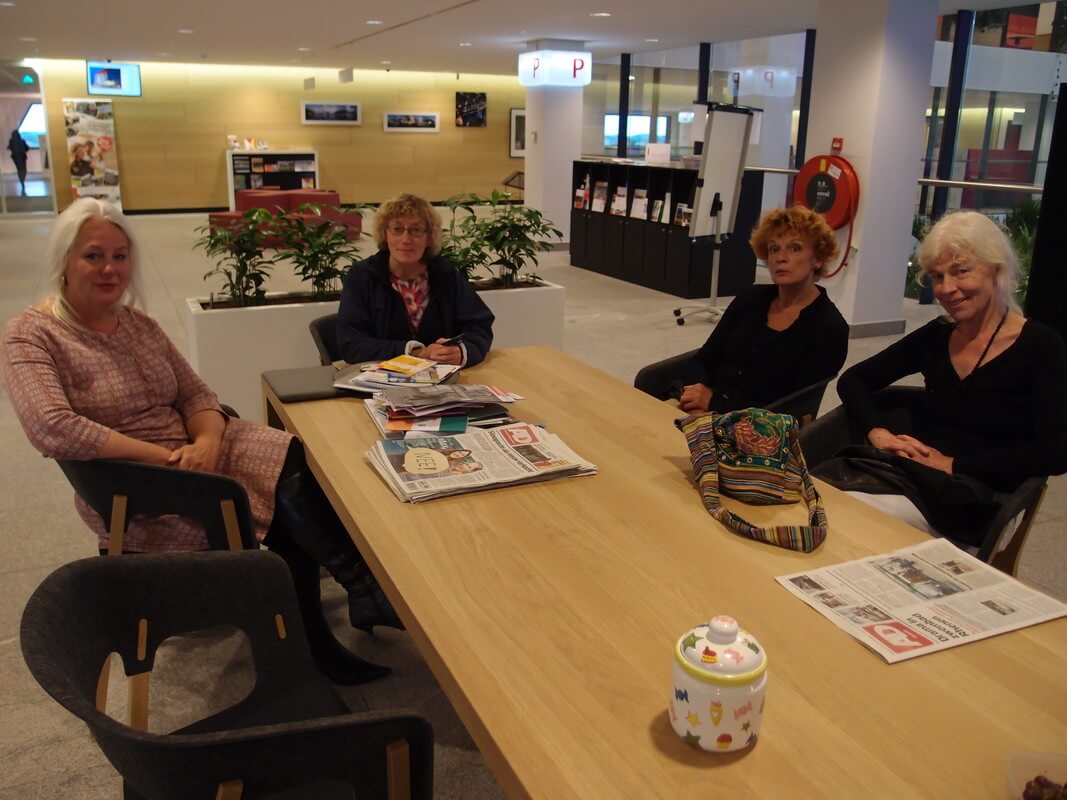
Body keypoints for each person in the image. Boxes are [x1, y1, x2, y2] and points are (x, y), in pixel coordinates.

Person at [2, 199, 402, 685]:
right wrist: (166, 456)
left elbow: (195, 392)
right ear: (64, 260)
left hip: (196, 453)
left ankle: (353, 591)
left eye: (120, 256)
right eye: (93, 256)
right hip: (139, 484)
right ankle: (330, 627)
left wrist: (208, 438)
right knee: (281, 519)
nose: (110, 268)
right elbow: (51, 426)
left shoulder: (138, 323)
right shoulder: (33, 334)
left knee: (292, 454)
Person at [826, 210, 1067, 544]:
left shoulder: (1041, 347)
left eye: (961, 271)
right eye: (938, 276)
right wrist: (878, 432)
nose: (947, 288)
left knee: (850, 524)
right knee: (828, 507)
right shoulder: (938, 336)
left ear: (996, 271)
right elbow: (853, 380)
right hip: (910, 480)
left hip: (975, 498)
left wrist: (954, 463)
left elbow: (1054, 453)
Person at [634, 205, 849, 416]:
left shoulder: (829, 328)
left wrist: (715, 404)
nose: (781, 257)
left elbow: (790, 408)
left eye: (795, 248)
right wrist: (697, 395)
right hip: (700, 403)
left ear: (817, 258)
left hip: (754, 430)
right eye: (774, 249)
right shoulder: (751, 299)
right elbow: (704, 359)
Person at [336, 192, 494, 365]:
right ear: (385, 234)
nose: (406, 240)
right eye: (397, 229)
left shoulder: (446, 274)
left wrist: (462, 352)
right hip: (381, 383)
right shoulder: (361, 277)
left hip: (443, 382)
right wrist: (415, 352)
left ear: (428, 237)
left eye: (416, 230)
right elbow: (351, 344)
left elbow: (479, 327)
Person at [7, 129, 29, 195]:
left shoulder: (11, 141)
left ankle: (22, 181)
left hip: (15, 158)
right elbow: (27, 148)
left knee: (19, 169)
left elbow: (9, 147)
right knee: (24, 169)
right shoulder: (22, 141)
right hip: (22, 157)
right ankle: (22, 181)